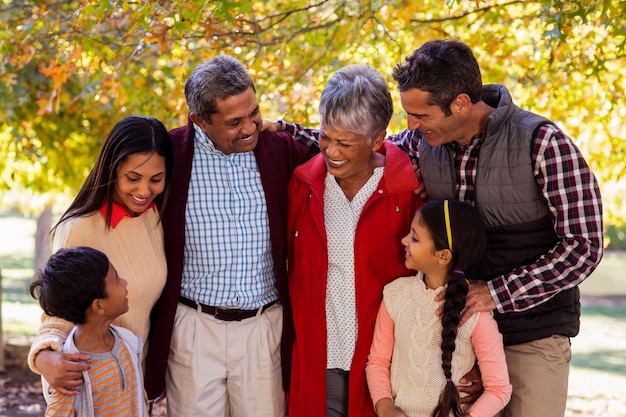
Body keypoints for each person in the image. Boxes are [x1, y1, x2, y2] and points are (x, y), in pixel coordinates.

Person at [277, 39, 604, 417]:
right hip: (450, 338)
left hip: (529, 331)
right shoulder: (424, 142)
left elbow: (584, 246)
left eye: (420, 115)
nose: (411, 125)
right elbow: (358, 146)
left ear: (460, 104)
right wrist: (280, 130)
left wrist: (496, 293)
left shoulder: (543, 144)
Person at [142, 55, 317, 417]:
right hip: (193, 326)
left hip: (263, 327)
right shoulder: (171, 154)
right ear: (200, 121)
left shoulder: (277, 147)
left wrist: (282, 125)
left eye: (254, 112)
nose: (250, 127)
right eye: (234, 122)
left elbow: (337, 147)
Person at [286, 64, 424, 417]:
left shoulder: (407, 190)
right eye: (325, 137)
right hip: (321, 358)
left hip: (389, 363)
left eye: (345, 142)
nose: (331, 151)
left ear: (378, 139)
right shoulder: (303, 186)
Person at [27, 116, 174, 401]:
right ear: (112, 169)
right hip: (90, 386)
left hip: (132, 383)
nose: (144, 191)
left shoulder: (153, 217)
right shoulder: (79, 229)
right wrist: (45, 356)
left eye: (156, 179)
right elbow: (59, 307)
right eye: (133, 178)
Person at [366, 200, 512, 417]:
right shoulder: (395, 295)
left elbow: (499, 389)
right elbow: (377, 362)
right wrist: (385, 408)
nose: (404, 240)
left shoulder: (475, 314)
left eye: (415, 238)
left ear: (443, 255)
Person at [29, 246, 148, 417]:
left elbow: (138, 399)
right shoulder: (71, 374)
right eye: (117, 280)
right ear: (99, 306)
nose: (125, 282)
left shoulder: (128, 342)